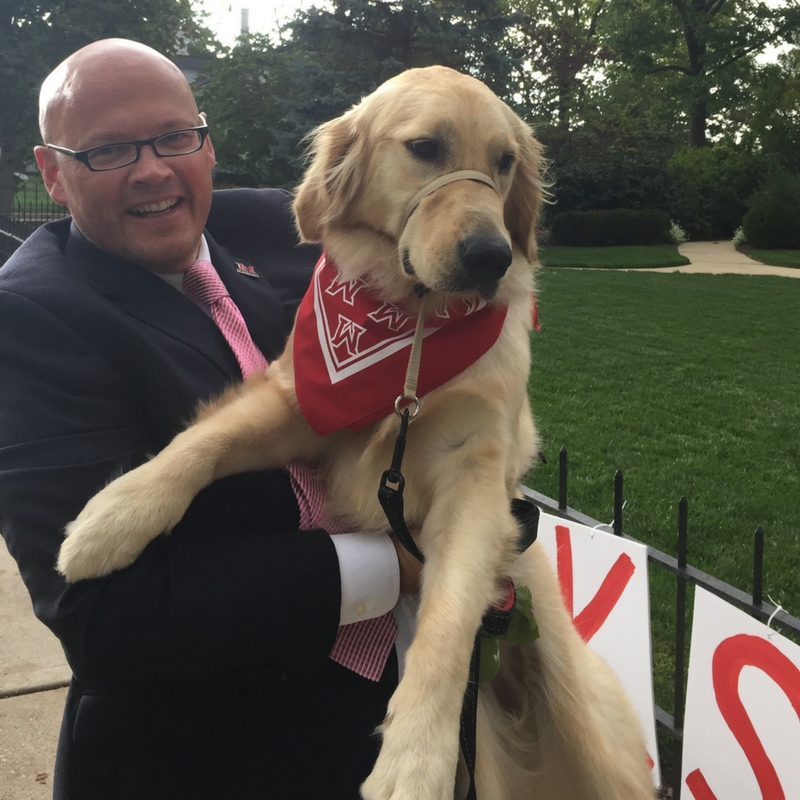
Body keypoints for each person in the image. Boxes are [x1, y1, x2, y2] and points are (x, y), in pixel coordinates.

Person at [0, 38, 421, 800]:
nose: (153, 168)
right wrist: (396, 564)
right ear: (52, 174)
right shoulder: (33, 316)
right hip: (208, 759)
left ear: (206, 141)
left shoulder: (277, 231)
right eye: (108, 151)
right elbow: (104, 619)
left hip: (390, 729)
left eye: (174, 137)